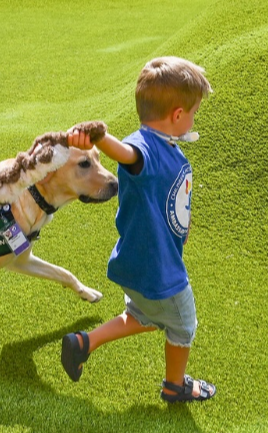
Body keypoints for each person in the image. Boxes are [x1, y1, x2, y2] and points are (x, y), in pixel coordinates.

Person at [61, 56, 215, 403]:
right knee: (182, 326)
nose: (193, 120)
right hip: (159, 268)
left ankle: (85, 342)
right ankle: (175, 386)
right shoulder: (144, 147)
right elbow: (128, 155)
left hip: (139, 260)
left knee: (143, 316)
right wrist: (100, 137)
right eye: (192, 113)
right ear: (177, 115)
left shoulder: (165, 146)